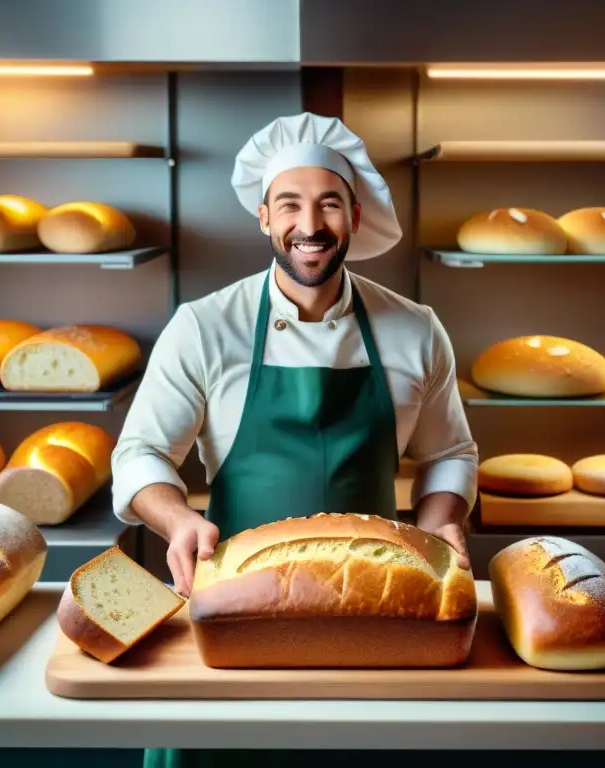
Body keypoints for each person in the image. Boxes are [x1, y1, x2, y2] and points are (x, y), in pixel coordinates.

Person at [110, 112, 479, 768]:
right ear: (263, 217)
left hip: (374, 608)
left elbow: (449, 453)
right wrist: (177, 523)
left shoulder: (415, 330)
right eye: (290, 204)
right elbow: (139, 454)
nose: (309, 225)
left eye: (329, 203)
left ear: (355, 216)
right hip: (231, 602)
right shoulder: (204, 326)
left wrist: (440, 526)